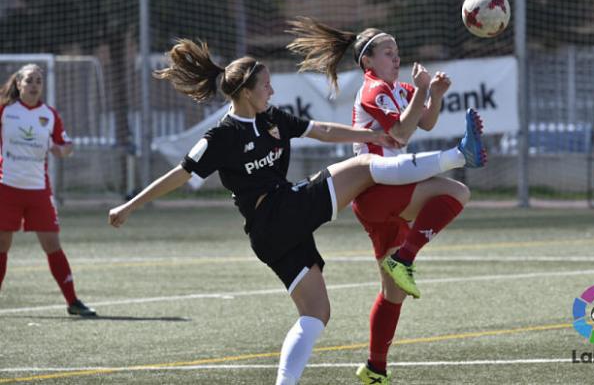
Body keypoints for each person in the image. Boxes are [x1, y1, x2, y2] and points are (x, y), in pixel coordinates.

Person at [107, 39, 485, 385]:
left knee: (316, 314)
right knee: (364, 169)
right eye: (266, 85)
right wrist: (130, 205)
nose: (272, 89)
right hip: (278, 213)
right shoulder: (222, 136)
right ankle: (457, 155)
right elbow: (181, 174)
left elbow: (320, 130)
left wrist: (370, 135)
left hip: (272, 234)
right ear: (245, 92)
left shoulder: (272, 119)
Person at [287, 16, 485, 384]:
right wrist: (423, 92)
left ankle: (375, 368)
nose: (396, 58)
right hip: (378, 189)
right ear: (368, 62)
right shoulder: (373, 89)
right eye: (388, 53)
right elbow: (399, 132)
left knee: (392, 294)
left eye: (397, 52)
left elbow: (424, 123)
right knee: (457, 191)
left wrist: (433, 95)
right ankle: (406, 256)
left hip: (384, 195)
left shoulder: (397, 89)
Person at [0, 64, 96, 317]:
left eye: (38, 81)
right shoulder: (5, 111)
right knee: (2, 244)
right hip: (6, 188)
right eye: (29, 80)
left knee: (52, 243)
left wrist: (61, 149)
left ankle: (73, 301)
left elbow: (67, 146)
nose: (34, 85)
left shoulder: (49, 114)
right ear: (19, 84)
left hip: (38, 190)